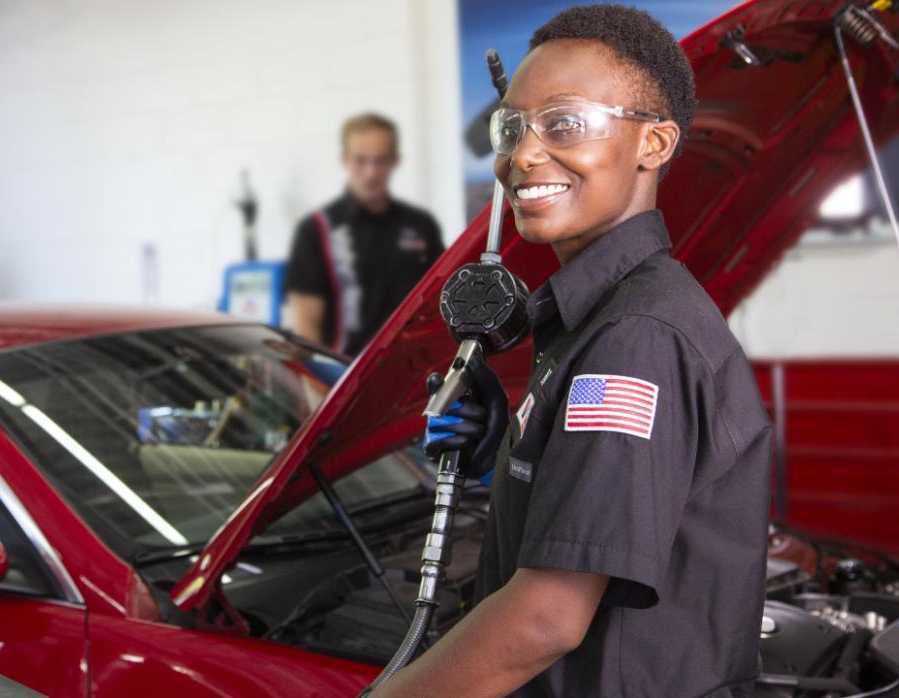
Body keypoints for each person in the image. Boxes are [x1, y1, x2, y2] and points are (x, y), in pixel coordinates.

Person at [378, 5, 771, 697]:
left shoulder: (635, 336)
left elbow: (546, 619)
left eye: (563, 123)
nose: (522, 156)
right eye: (511, 128)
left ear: (654, 144)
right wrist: (518, 456)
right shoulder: (596, 317)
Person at [284, 113, 444, 357]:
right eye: (361, 161)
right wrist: (319, 389)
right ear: (345, 160)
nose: (370, 172)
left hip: (416, 376)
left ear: (395, 160)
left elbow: (440, 302)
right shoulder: (316, 230)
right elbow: (306, 332)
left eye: (380, 161)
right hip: (346, 380)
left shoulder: (421, 226)